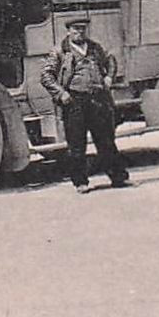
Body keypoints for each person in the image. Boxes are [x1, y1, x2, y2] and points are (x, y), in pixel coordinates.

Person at [41, 16, 128, 193]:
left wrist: (109, 77)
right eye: (75, 29)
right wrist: (61, 93)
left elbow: (110, 61)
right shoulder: (60, 51)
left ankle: (118, 177)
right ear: (68, 31)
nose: (79, 32)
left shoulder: (95, 48)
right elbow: (46, 76)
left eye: (82, 29)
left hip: (98, 99)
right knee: (76, 144)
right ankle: (81, 182)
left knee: (106, 141)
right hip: (75, 101)